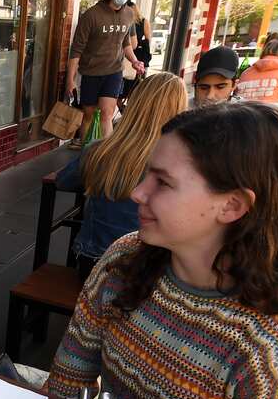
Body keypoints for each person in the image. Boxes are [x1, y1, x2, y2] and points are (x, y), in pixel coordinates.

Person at [44, 103, 278, 399]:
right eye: (146, 175)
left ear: (232, 205)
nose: (137, 192)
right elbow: (65, 385)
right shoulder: (124, 260)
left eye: (163, 182)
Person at [55, 72, 188, 278]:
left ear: (134, 105)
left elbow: (63, 181)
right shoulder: (185, 164)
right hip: (151, 271)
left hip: (94, 262)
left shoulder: (99, 150)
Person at [65, 0, 148, 143]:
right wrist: (70, 79)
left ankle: (105, 154)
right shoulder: (92, 15)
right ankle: (85, 151)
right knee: (88, 116)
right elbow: (76, 49)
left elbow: (126, 43)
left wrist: (134, 61)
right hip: (91, 72)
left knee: (107, 114)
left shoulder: (129, 14)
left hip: (114, 72)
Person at [236, 38, 278, 103]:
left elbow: (237, 96)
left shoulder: (246, 72)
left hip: (242, 107)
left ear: (264, 50)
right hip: (269, 108)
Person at [118, 14, 152, 108]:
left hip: (128, 59)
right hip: (135, 59)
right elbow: (147, 42)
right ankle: (127, 111)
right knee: (132, 92)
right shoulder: (143, 22)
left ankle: (123, 110)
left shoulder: (123, 18)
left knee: (120, 92)